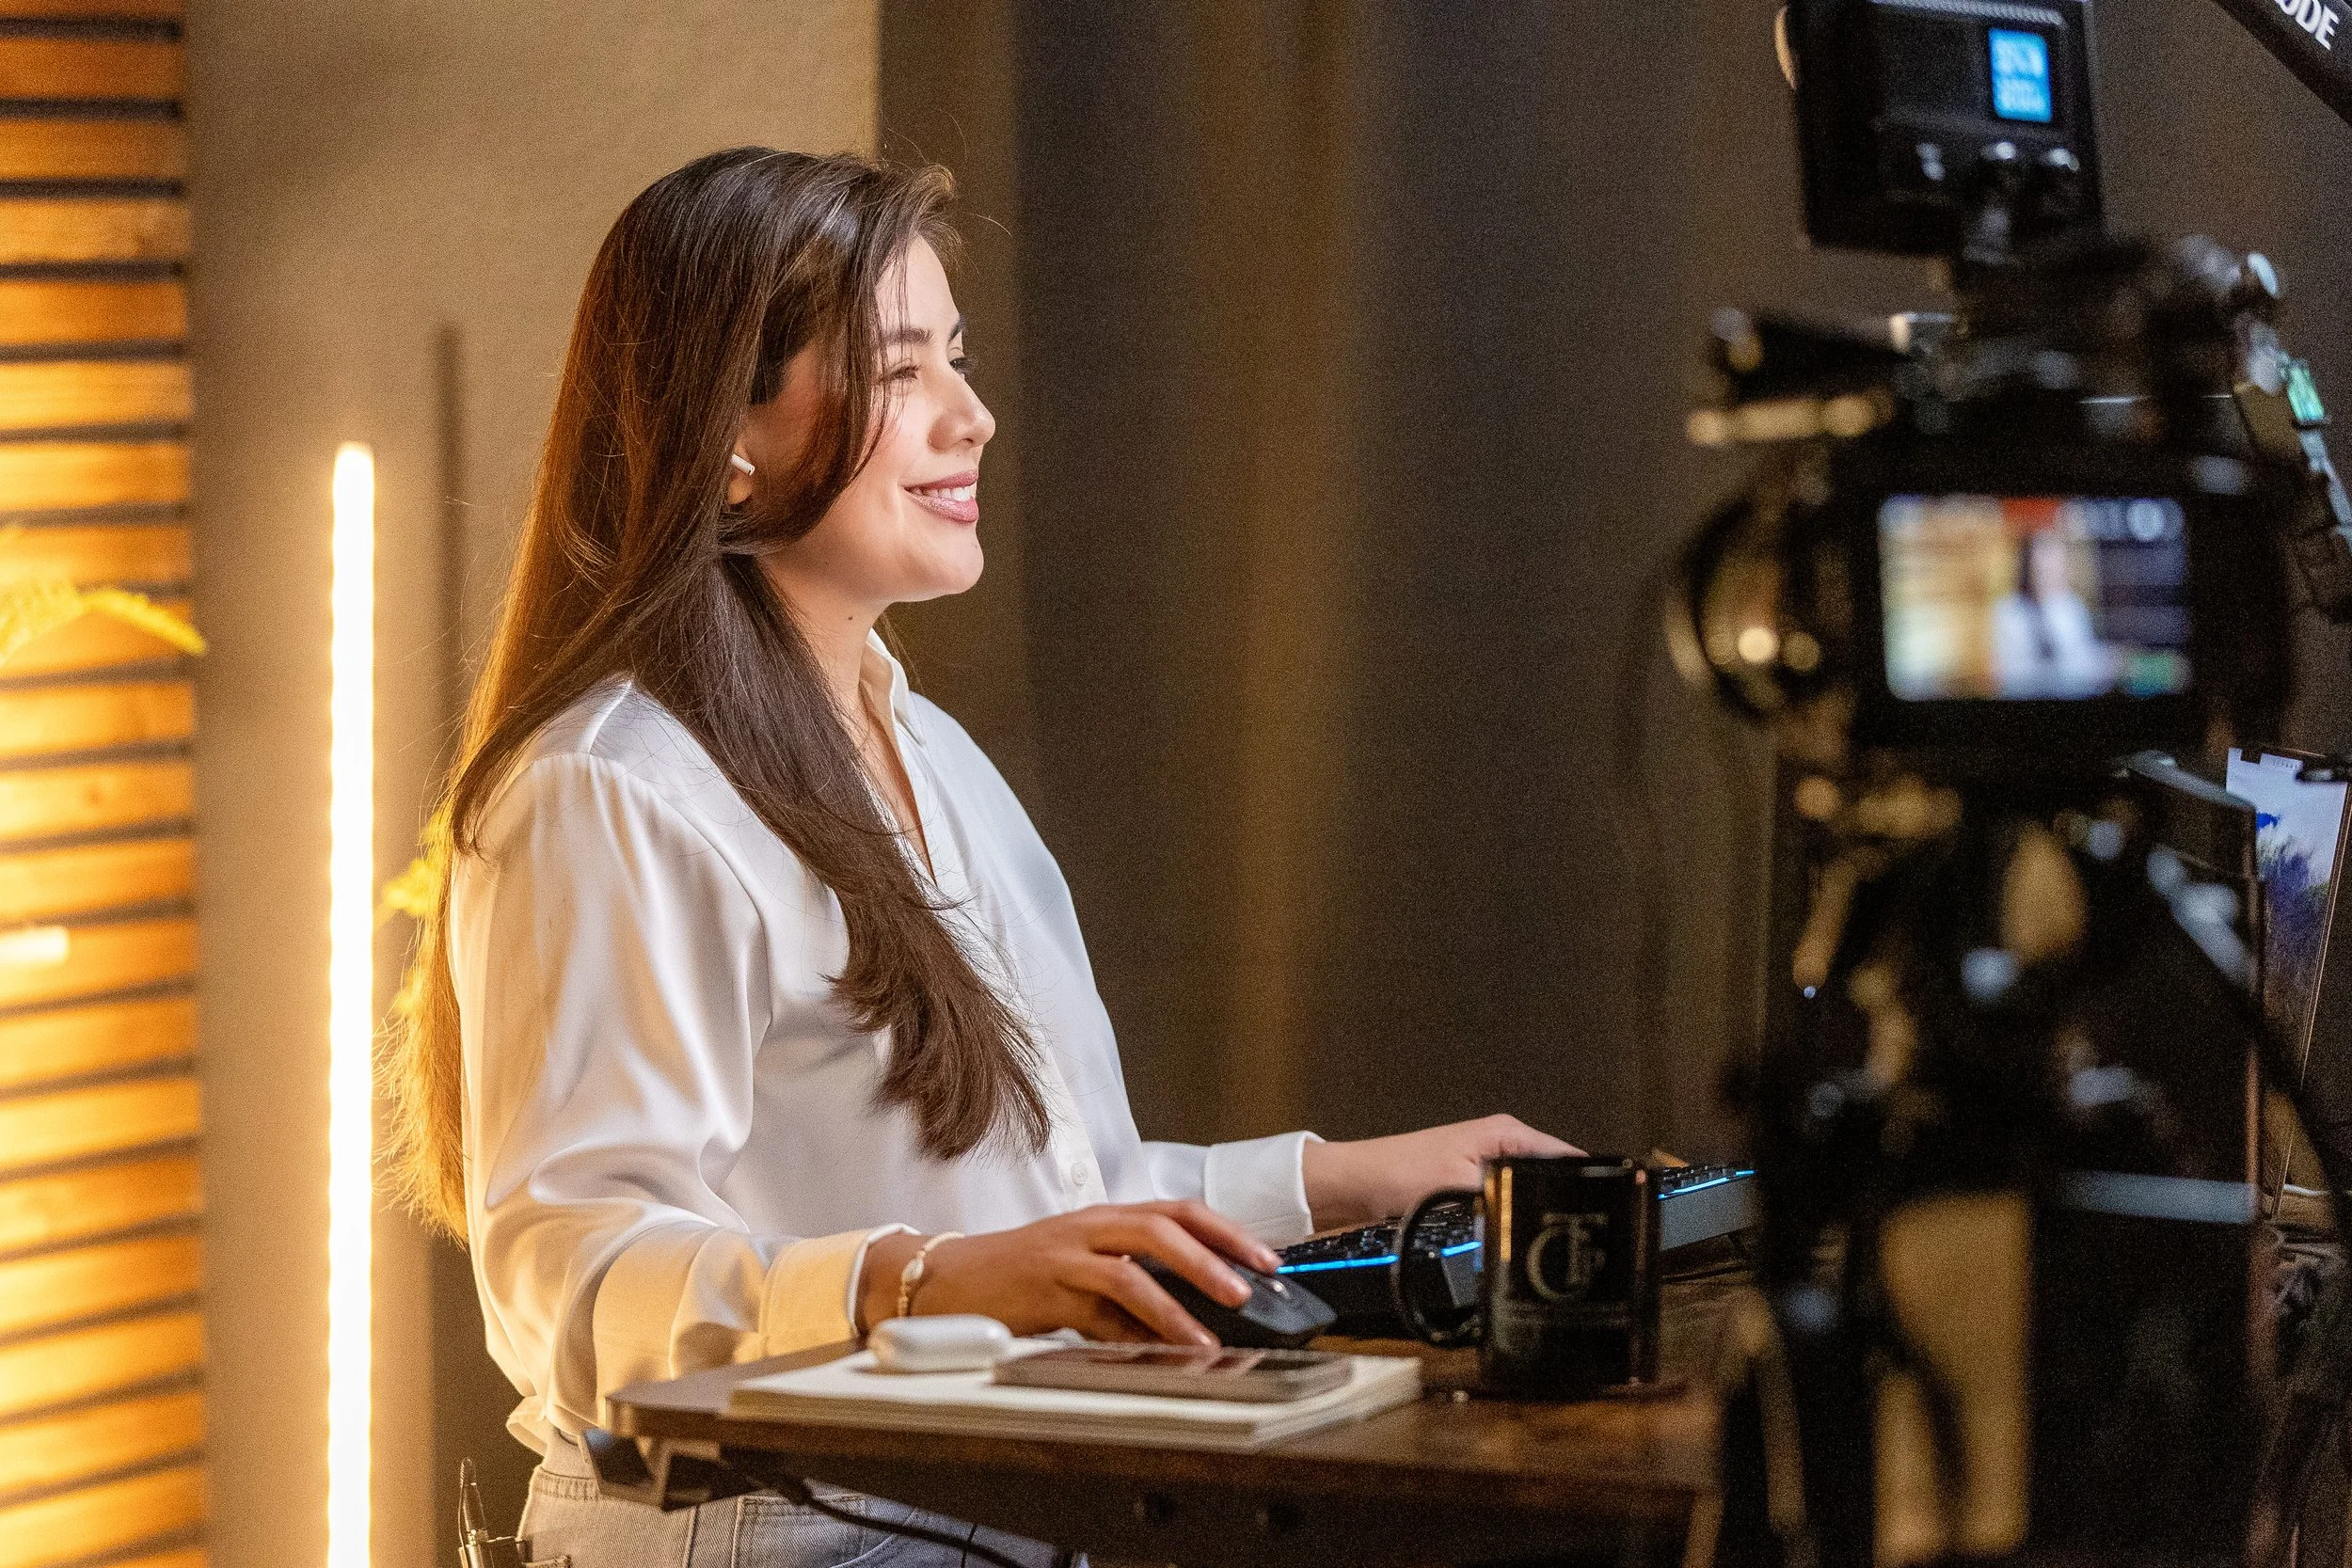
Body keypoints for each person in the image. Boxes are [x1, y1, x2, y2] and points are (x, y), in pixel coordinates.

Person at [381, 148, 1577, 1568]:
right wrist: (921, 1287)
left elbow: (1049, 1213)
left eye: (959, 357)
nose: (974, 416)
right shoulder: (614, 786)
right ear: (728, 438)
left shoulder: (925, 751)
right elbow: (566, 1273)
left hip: (985, 1514)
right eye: (904, 371)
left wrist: (1345, 1180)